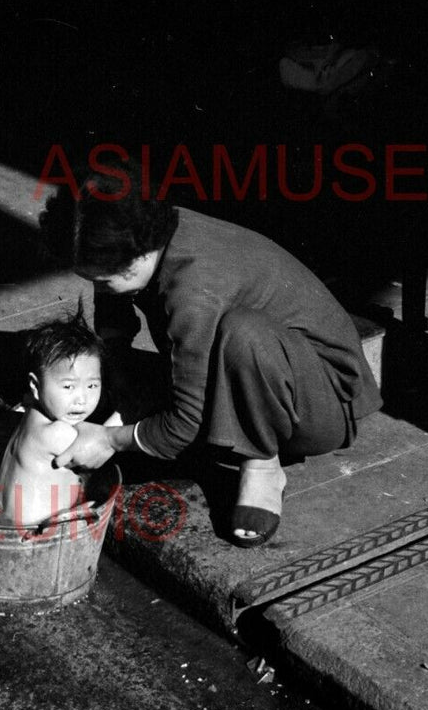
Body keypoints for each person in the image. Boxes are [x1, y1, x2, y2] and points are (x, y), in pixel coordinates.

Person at [38, 161, 382, 546]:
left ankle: (261, 463)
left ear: (141, 254)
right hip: (256, 369)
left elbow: (185, 425)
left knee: (242, 334)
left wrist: (110, 440)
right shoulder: (148, 229)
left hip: (320, 403)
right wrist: (112, 383)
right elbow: (115, 323)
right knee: (136, 370)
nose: (99, 288)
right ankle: (212, 420)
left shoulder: (194, 287)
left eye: (104, 280)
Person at [0, 315, 124, 529]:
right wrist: (127, 412)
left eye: (92, 386)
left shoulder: (29, 410)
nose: (82, 399)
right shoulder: (58, 434)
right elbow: (100, 443)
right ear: (35, 385)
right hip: (34, 532)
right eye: (68, 387)